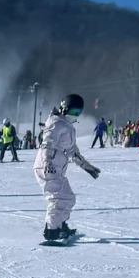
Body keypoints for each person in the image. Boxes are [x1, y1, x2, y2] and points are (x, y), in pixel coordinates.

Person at [35, 93, 99, 242]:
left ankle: (60, 225)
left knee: (68, 198)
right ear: (64, 109)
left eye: (78, 113)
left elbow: (72, 151)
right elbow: (47, 143)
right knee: (58, 198)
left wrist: (86, 166)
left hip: (56, 168)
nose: (75, 115)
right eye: (73, 112)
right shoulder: (55, 123)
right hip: (47, 166)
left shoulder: (69, 128)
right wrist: (48, 163)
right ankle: (52, 231)